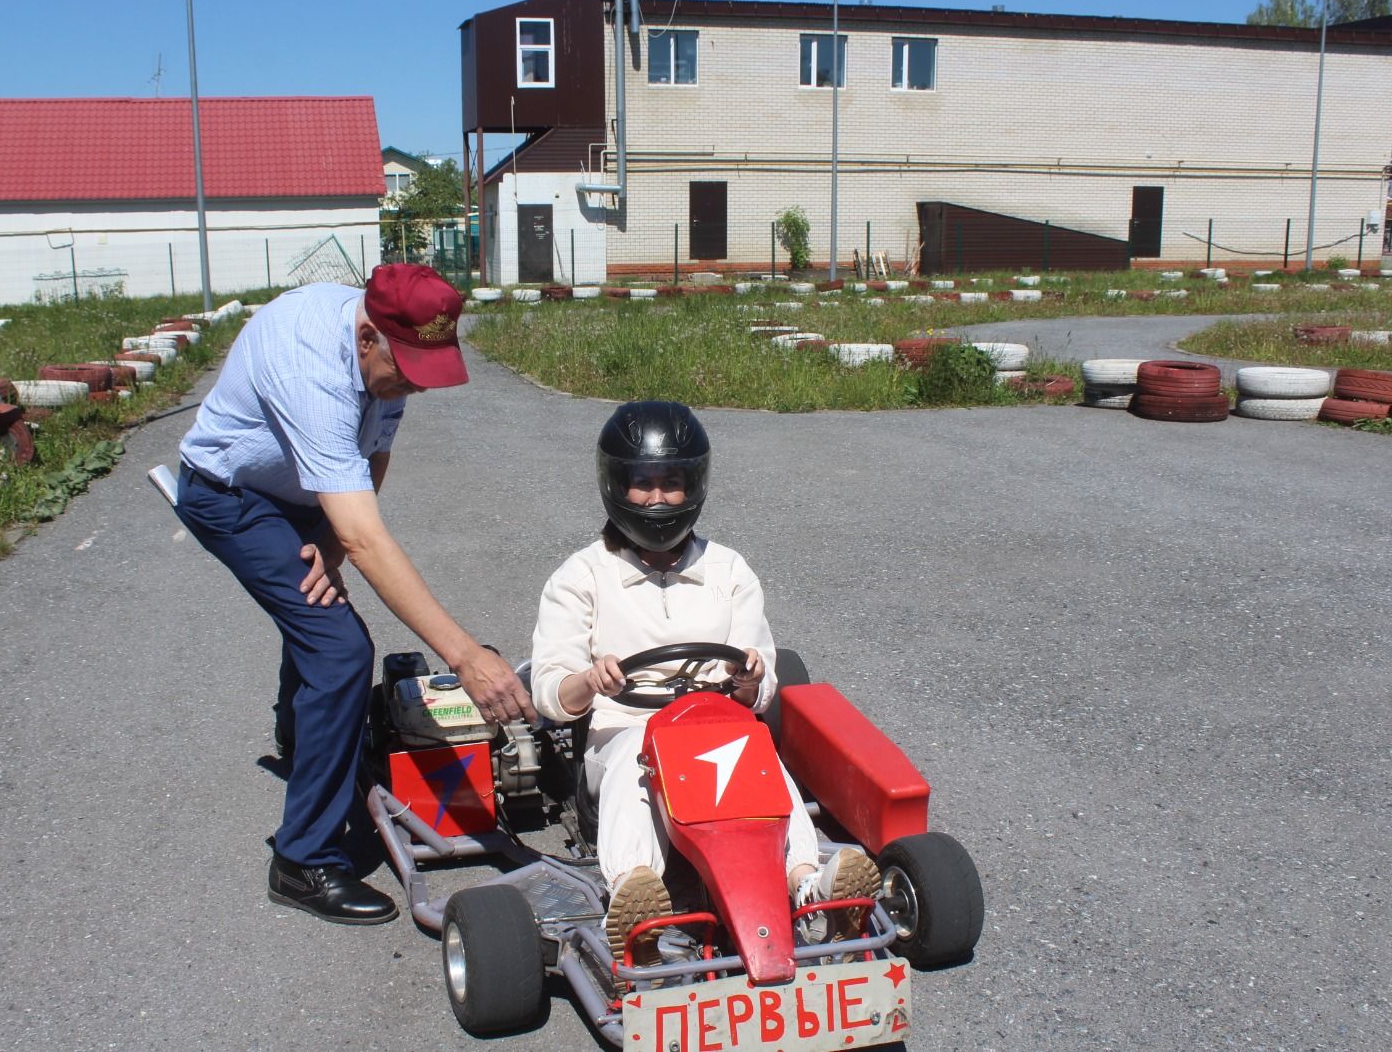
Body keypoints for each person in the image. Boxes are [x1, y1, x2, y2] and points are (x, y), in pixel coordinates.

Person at [173, 263, 534, 926]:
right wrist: (463, 655)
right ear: (367, 339)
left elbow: (374, 456)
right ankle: (302, 859)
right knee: (341, 649)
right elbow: (369, 539)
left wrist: (332, 546)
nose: (412, 391)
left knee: (318, 618)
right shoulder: (310, 362)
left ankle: (302, 735)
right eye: (407, 373)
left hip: (302, 491)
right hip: (230, 495)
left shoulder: (387, 348)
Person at [528, 400, 879, 969]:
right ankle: (635, 900)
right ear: (617, 485)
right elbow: (549, 691)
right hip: (626, 725)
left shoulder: (728, 570)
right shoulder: (582, 576)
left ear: (695, 485)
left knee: (761, 759)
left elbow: (759, 681)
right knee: (630, 774)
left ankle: (811, 886)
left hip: (716, 727)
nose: (658, 498)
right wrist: (589, 680)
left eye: (672, 482)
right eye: (643, 483)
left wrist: (749, 678)